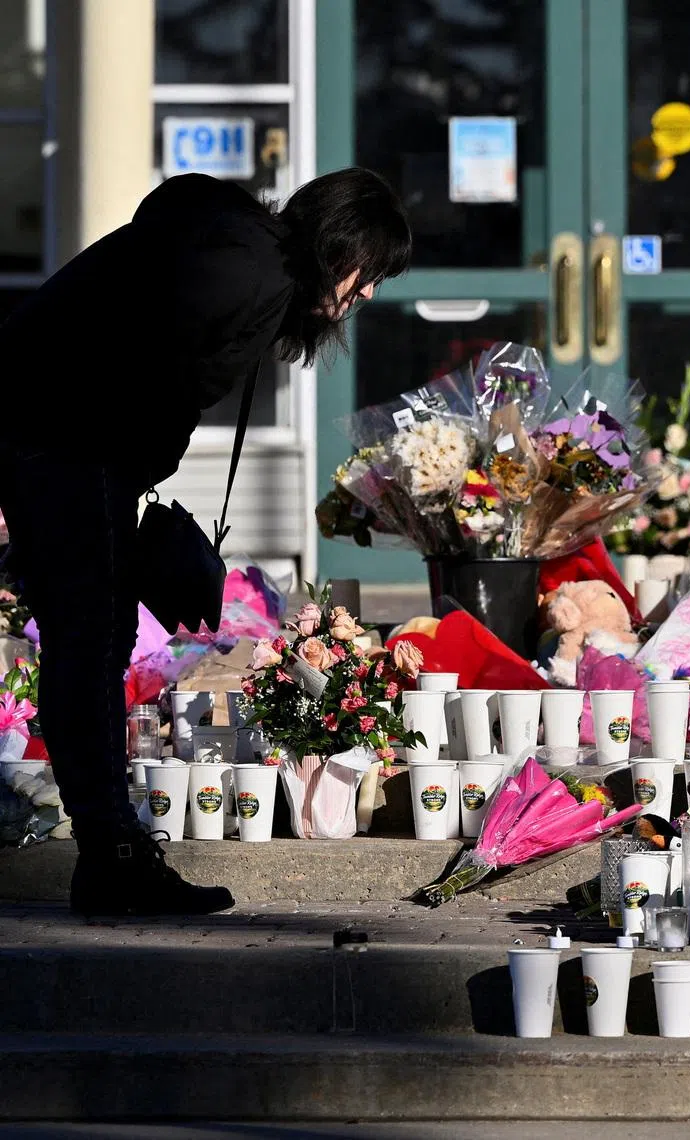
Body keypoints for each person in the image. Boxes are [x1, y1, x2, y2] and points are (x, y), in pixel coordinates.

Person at [0, 168, 411, 917]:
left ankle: (111, 850)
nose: (369, 293)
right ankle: (113, 857)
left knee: (88, 637)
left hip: (64, 438)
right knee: (89, 639)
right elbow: (127, 371)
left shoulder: (243, 261)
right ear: (341, 246)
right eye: (371, 271)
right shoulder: (241, 270)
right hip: (64, 436)